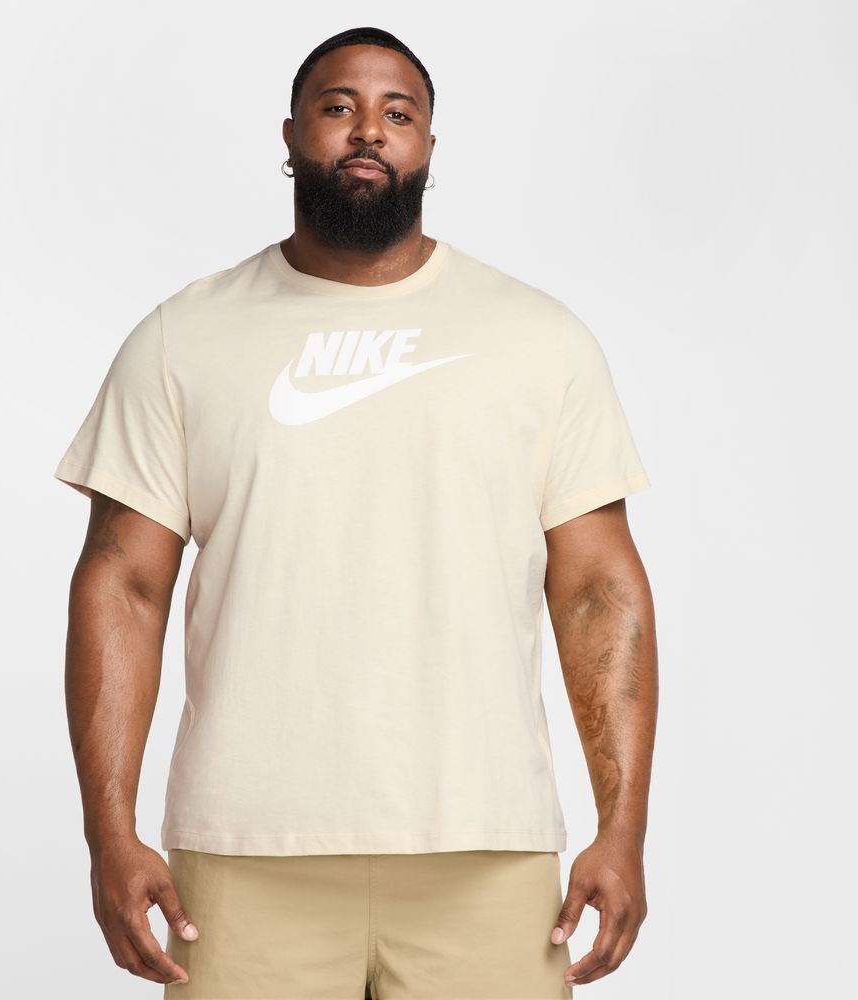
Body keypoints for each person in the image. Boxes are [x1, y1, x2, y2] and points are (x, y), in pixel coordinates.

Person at [54, 25, 657, 999]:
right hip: (244, 851)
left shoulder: (538, 339)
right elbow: (123, 586)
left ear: (428, 147)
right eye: (339, 107)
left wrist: (621, 829)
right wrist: (108, 832)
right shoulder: (184, 337)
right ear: (291, 136)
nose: (368, 129)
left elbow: (597, 589)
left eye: (397, 112)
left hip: (486, 849)